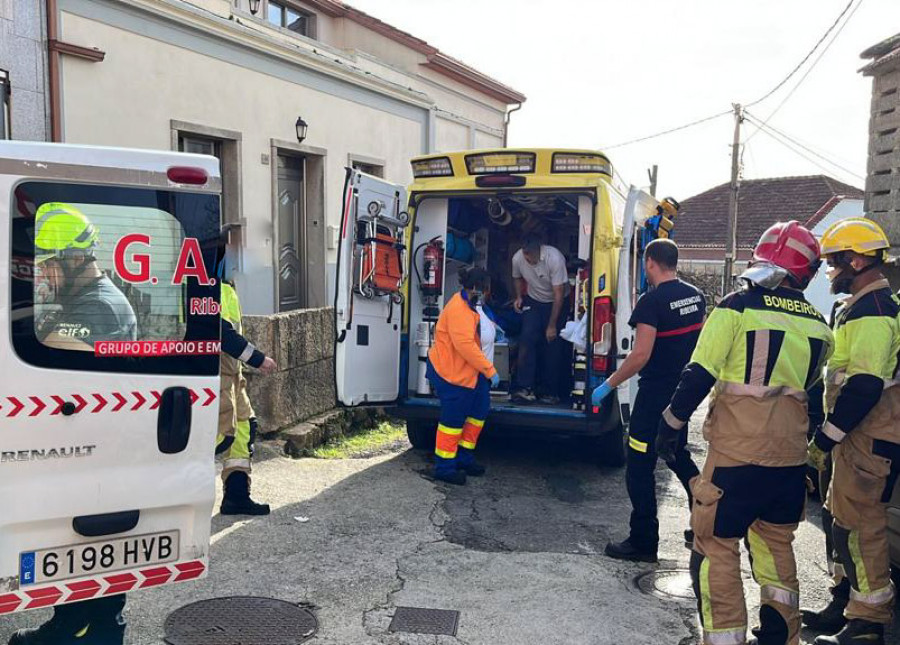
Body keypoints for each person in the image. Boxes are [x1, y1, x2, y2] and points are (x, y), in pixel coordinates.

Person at [656, 221, 833, 645]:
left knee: (714, 546)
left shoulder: (736, 307)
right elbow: (814, 392)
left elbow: (698, 374)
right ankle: (781, 637)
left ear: (763, 262)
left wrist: (670, 426)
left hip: (736, 456)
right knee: (776, 546)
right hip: (789, 458)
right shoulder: (820, 326)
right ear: (805, 273)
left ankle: (723, 640)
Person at [11, 203, 136, 644]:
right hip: (95, 447)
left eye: (48, 266)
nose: (42, 277)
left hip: (98, 449)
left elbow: (49, 347)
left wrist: (34, 313)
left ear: (73, 259)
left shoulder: (97, 308)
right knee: (84, 548)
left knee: (90, 551)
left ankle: (81, 631)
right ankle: (77, 625)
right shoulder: (84, 300)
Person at [803, 218, 900, 645]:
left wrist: (825, 439)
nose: (832, 272)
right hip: (857, 438)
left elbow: (864, 386)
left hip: (868, 437)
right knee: (841, 519)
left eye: (836, 263)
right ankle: (845, 603)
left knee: (861, 528)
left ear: (857, 260)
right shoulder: (859, 306)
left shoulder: (874, 311)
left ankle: (867, 622)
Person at [593, 238, 704, 563]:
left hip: (654, 397)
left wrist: (609, 384)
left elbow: (640, 354)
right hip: (682, 397)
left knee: (639, 466)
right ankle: (703, 523)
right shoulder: (695, 297)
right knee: (676, 454)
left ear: (650, 262)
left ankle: (643, 541)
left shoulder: (652, 302)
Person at [216, 235, 277, 515]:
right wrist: (257, 358)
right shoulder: (207, 287)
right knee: (214, 439)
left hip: (231, 377)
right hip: (216, 378)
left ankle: (236, 496)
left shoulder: (226, 287)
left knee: (243, 430)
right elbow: (220, 332)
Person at [427, 268, 499, 485]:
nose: (485, 294)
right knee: (452, 422)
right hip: (451, 374)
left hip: (469, 373)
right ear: (477, 288)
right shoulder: (459, 308)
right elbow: (465, 346)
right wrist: (490, 370)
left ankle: (464, 458)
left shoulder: (470, 307)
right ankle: (445, 468)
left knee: (478, 413)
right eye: (484, 289)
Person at [510, 233, 569, 404]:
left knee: (552, 343)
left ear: (539, 250)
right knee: (527, 338)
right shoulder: (518, 259)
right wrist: (519, 296)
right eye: (525, 254)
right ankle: (525, 387)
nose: (527, 258)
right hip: (534, 300)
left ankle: (549, 391)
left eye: (530, 254)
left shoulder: (554, 258)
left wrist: (551, 325)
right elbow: (516, 277)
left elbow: (558, 294)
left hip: (557, 302)